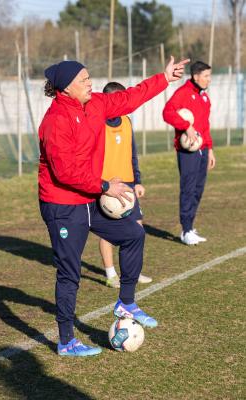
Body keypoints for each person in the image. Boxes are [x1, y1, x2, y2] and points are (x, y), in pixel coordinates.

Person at [39, 56, 188, 357]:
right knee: (70, 273)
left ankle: (126, 302)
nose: (90, 82)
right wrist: (105, 186)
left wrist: (163, 78)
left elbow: (130, 97)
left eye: (89, 76)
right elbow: (65, 172)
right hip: (62, 204)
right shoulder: (55, 121)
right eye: (83, 80)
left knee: (133, 234)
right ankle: (67, 340)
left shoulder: (95, 103)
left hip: (87, 199)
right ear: (65, 88)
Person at [100, 81, 152, 289]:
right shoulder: (97, 122)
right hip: (108, 186)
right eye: (120, 98)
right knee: (109, 230)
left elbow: (132, 153)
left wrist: (137, 180)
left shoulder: (127, 121)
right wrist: (101, 184)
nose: (124, 102)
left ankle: (132, 271)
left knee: (137, 228)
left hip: (129, 183)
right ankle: (110, 273)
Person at [163, 60, 216, 246]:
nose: (209, 79)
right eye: (206, 76)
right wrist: (186, 127)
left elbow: (206, 126)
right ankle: (185, 231)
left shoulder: (204, 97)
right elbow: (167, 113)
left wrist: (209, 149)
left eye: (210, 75)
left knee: (198, 189)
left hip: (202, 150)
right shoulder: (183, 93)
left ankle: (190, 226)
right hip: (187, 151)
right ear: (196, 76)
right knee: (188, 189)